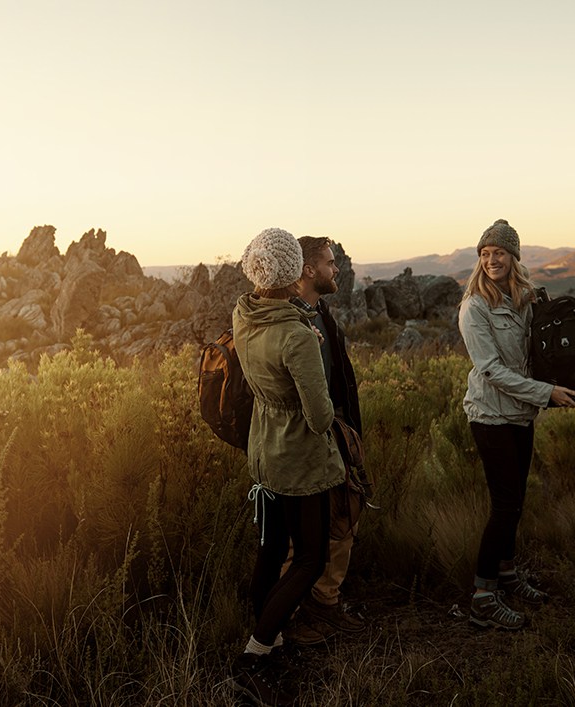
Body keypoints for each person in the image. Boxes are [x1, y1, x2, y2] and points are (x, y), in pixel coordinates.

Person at [230, 227, 347, 706]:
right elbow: (320, 417)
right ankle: (256, 652)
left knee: (271, 548)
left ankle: (271, 641)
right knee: (310, 558)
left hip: (263, 450)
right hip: (299, 460)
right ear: (289, 272)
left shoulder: (244, 314)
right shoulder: (296, 335)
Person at [459, 219, 575, 630]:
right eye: (485, 254)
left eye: (499, 253)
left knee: (517, 503)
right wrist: (547, 394)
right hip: (490, 416)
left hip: (520, 416)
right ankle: (482, 596)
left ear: (514, 258)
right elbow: (490, 369)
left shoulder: (523, 301)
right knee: (504, 505)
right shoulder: (474, 306)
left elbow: (538, 353)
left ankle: (507, 574)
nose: (492, 260)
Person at [282, 236, 366, 644]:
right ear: (308, 270)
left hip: (337, 434)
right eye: (331, 264)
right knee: (300, 539)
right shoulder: (290, 322)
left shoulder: (321, 314)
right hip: (305, 444)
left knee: (344, 519)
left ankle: (326, 601)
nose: (337, 269)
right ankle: (293, 615)